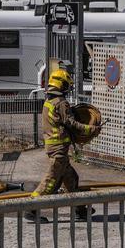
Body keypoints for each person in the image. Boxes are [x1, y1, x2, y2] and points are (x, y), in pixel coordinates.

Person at [26, 67, 101, 222]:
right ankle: (31, 208)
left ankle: (79, 210)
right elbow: (71, 123)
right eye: (67, 85)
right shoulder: (61, 103)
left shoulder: (49, 101)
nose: (68, 88)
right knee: (50, 182)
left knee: (72, 179)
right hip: (59, 150)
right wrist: (91, 129)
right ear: (61, 85)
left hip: (56, 148)